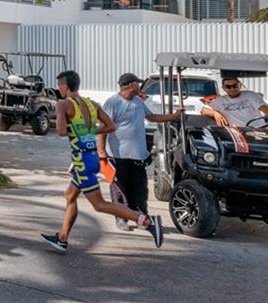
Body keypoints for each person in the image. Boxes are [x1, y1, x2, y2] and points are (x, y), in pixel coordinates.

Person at [41, 70, 164, 253]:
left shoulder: (63, 104)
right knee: (70, 196)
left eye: (59, 85)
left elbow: (61, 131)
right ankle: (62, 238)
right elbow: (110, 126)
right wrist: (89, 132)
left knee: (99, 205)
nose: (59, 88)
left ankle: (145, 220)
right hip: (90, 158)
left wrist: (75, 129)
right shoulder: (92, 104)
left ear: (64, 86)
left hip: (82, 160)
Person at [102, 72, 178, 228]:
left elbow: (151, 117)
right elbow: (103, 128)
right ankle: (121, 218)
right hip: (117, 155)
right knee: (120, 188)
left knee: (140, 187)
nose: (140, 86)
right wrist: (101, 150)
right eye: (138, 83)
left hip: (138, 154)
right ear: (131, 85)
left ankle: (141, 216)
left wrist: (173, 116)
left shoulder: (138, 101)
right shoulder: (112, 103)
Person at [202, 72, 268, 127]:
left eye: (235, 86)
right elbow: (204, 110)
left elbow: (264, 107)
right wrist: (215, 113)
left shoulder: (250, 95)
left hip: (259, 129)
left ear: (240, 85)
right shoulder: (220, 101)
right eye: (228, 87)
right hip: (238, 133)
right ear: (224, 88)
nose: (232, 89)